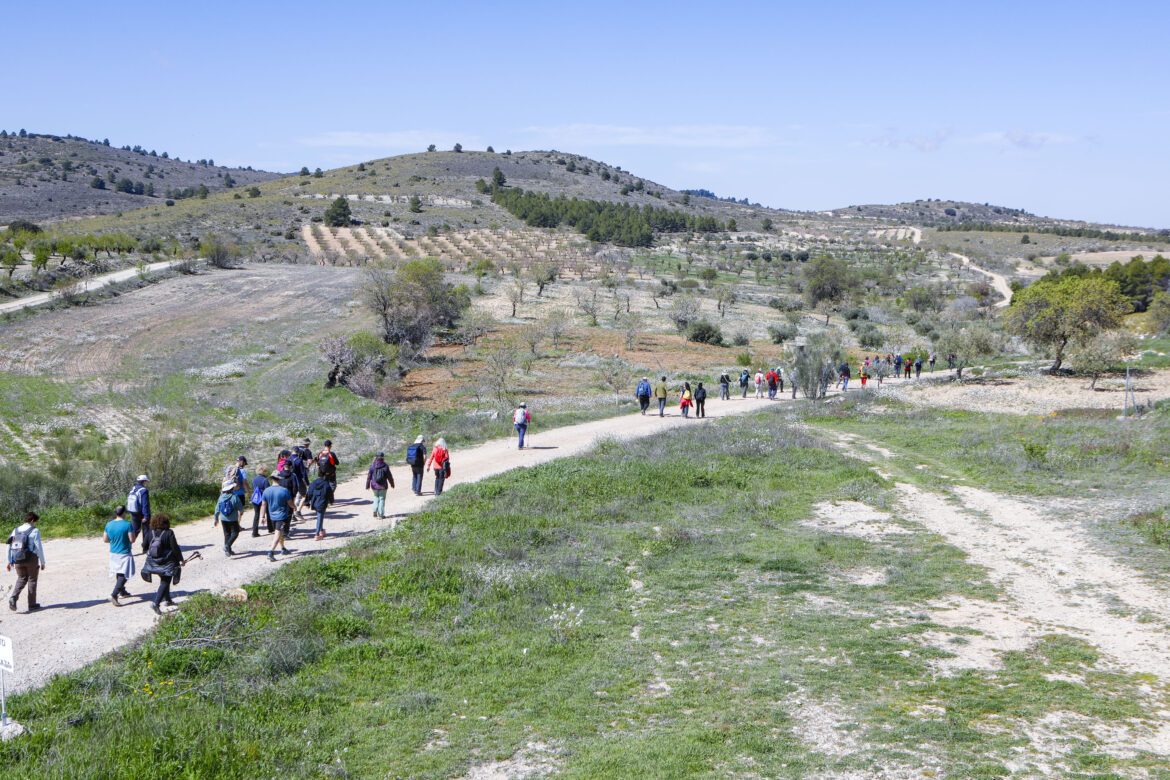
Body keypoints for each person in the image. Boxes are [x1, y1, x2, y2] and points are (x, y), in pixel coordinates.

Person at [141, 514, 184, 615]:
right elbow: (175, 548)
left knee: (164, 579)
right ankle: (156, 603)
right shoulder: (169, 533)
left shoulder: (150, 532)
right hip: (167, 562)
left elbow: (144, 545)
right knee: (165, 581)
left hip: (153, 563)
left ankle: (168, 600)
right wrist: (181, 560)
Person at [7, 512, 44, 612]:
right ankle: (32, 604)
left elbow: (9, 546)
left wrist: (9, 561)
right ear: (32, 520)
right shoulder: (35, 531)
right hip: (31, 558)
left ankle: (13, 597)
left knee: (21, 578)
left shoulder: (16, 530)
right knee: (32, 579)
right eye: (35, 521)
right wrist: (42, 561)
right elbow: (38, 547)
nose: (35, 524)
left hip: (17, 558)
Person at [104, 506, 135, 606]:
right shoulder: (127, 525)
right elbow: (132, 539)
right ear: (124, 513)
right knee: (124, 574)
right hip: (124, 552)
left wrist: (113, 541)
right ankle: (114, 594)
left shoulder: (109, 524)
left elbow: (105, 539)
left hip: (113, 552)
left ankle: (122, 591)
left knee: (118, 571)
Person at [262, 473, 296, 561]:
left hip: (271, 516)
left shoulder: (266, 491)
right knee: (278, 533)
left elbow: (263, 505)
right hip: (281, 515)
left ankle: (283, 548)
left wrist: (262, 516)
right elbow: (290, 503)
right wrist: (294, 507)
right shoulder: (284, 490)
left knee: (280, 532)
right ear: (279, 479)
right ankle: (271, 552)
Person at [127, 475, 152, 554]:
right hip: (142, 513)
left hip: (134, 512)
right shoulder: (144, 490)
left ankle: (127, 546)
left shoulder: (133, 489)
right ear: (144, 481)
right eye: (146, 481)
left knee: (135, 529)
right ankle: (145, 548)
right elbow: (145, 505)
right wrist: (146, 516)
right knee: (146, 531)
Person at [305, 475, 335, 540]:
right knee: (320, 517)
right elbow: (330, 493)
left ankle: (321, 530)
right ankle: (317, 534)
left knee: (320, 516)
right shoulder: (326, 483)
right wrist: (331, 501)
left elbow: (309, 492)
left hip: (314, 502)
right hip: (322, 502)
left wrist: (307, 503)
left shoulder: (313, 483)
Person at [366, 452, 394, 519]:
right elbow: (389, 476)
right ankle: (381, 515)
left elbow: (369, 476)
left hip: (374, 485)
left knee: (376, 497)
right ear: (383, 458)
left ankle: (375, 510)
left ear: (376, 457)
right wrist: (392, 484)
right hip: (383, 486)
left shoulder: (372, 466)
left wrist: (367, 485)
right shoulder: (385, 466)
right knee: (382, 499)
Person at [250, 466, 272, 536]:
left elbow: (253, 488)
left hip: (256, 498)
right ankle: (271, 529)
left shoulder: (253, 479)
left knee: (256, 514)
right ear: (264, 471)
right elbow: (267, 490)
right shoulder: (265, 480)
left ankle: (254, 531)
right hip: (263, 498)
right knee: (268, 513)